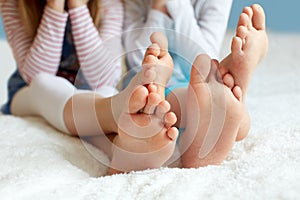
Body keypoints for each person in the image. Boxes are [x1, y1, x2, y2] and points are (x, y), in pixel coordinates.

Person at [0, 0, 181, 174]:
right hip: (27, 94)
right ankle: (113, 110)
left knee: (105, 93)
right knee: (43, 84)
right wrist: (54, 6)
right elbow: (36, 74)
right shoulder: (13, 4)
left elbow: (104, 78)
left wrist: (78, 7)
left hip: (88, 94)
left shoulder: (108, 4)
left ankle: (122, 152)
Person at [123, 1, 268, 168]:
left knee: (200, 90)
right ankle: (235, 110)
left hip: (195, 81)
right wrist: (159, 9)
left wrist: (175, 4)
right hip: (149, 81)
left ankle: (227, 106)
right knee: (153, 91)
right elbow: (136, 59)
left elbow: (204, 60)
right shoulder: (132, 3)